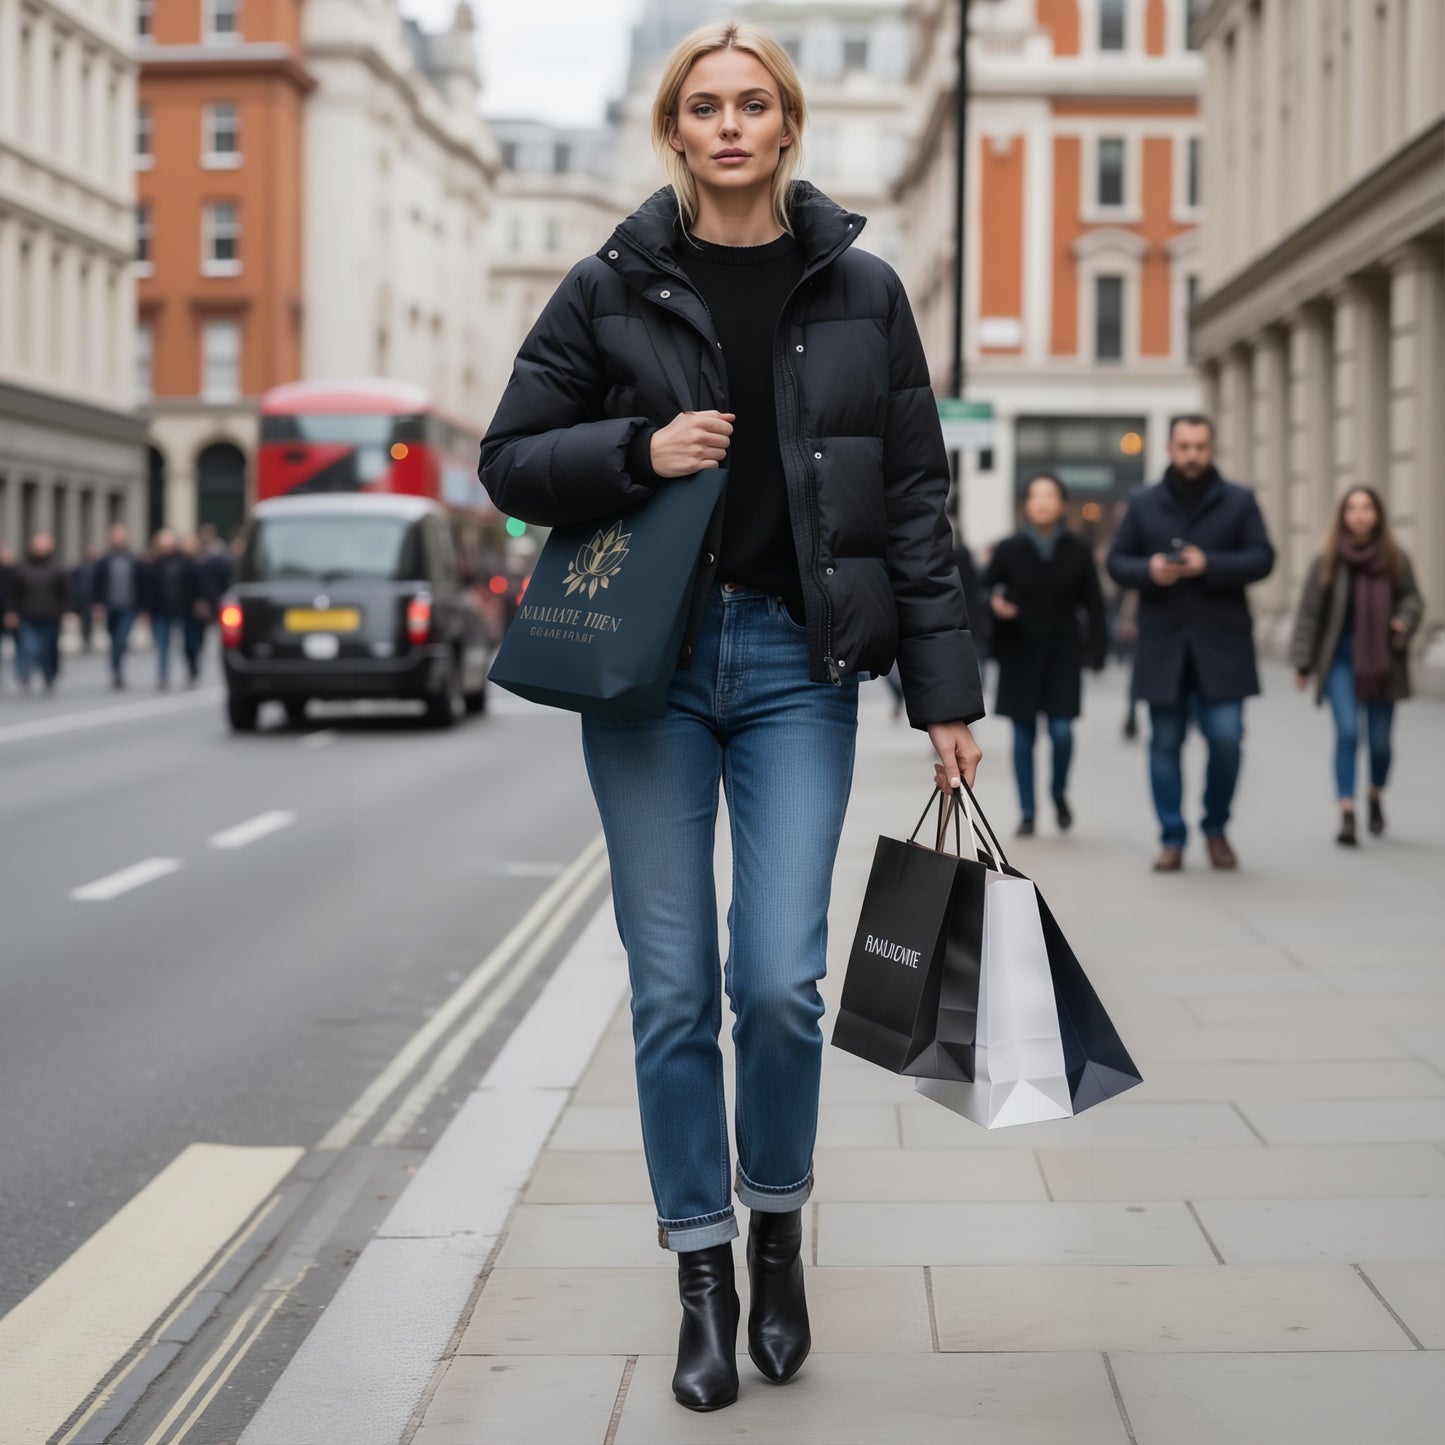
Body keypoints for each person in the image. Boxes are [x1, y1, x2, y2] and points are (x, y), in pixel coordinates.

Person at [479, 21, 984, 1414]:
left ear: (787, 122)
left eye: (751, 102)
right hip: (646, 672)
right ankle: (700, 1271)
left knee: (776, 980)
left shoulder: (865, 290)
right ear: (672, 130)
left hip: (793, 673)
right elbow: (506, 456)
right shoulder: (610, 283)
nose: (727, 124)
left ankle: (777, 1232)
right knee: (666, 992)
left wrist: (946, 695)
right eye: (701, 105)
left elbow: (917, 507)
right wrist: (635, 451)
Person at [1107, 415, 1275, 872]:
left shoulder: (1239, 500)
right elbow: (1117, 562)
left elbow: (1263, 558)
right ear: (1170, 448)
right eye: (1184, 446)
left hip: (1223, 648)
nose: (1192, 455)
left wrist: (1210, 564)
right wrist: (1149, 571)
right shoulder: (1143, 502)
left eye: (1200, 446)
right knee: (1165, 743)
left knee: (1227, 740)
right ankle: (1172, 837)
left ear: (1212, 448)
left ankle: (1216, 827)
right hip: (1164, 648)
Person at [1289, 486, 1423, 845]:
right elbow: (1310, 614)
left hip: (1382, 661)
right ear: (1343, 516)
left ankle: (1375, 794)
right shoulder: (1329, 560)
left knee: (1380, 744)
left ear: (1377, 515)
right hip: (1340, 661)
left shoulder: (1395, 558)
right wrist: (1303, 662)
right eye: (1352, 508)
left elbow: (1413, 597)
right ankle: (1347, 812)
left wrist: (1404, 619)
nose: (1360, 515)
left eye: (1366, 508)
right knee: (1348, 732)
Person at [984, 473, 1107, 835]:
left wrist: (1098, 651)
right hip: (1019, 652)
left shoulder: (1078, 551)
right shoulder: (1008, 549)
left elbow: (1094, 604)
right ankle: (1027, 811)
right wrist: (996, 606)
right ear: (1025, 504)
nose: (1041, 502)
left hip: (1063, 653)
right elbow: (986, 592)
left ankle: (1058, 792)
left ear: (1062, 505)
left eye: (1049, 496)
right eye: (1034, 495)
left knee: (1062, 731)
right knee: (1023, 736)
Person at [4, 532, 72, 692]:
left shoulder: (57, 568)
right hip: (27, 616)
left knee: (47, 649)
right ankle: (23, 675)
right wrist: (11, 612)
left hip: (50, 616)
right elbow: (13, 593)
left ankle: (49, 675)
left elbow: (65, 593)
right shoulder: (21, 568)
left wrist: (68, 611)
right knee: (29, 647)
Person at [142, 528, 203, 689]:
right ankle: (163, 676)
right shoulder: (155, 564)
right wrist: (148, 611)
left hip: (184, 609)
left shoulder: (186, 562)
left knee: (187, 644)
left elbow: (195, 584)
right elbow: (150, 589)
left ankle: (192, 670)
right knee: (162, 645)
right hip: (162, 610)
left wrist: (198, 602)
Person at [91, 524, 143, 689]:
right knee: (113, 640)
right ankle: (115, 668)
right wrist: (97, 604)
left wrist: (142, 608)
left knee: (121, 640)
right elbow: (96, 584)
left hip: (128, 607)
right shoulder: (104, 561)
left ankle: (118, 670)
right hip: (110, 607)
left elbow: (142, 584)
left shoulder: (133, 560)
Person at [70, 544, 99, 653]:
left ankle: (87, 639)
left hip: (90, 598)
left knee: (88, 620)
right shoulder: (79, 568)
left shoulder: (96, 568)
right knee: (85, 620)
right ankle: (85, 638)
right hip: (82, 598)